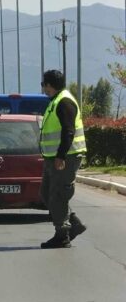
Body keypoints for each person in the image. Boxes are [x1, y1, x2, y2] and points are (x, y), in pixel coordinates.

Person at [39, 70, 87, 249]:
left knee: (58, 196)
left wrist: (60, 156)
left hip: (66, 157)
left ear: (50, 85)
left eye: (43, 84)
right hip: (54, 158)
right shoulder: (56, 101)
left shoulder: (64, 102)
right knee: (46, 194)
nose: (43, 88)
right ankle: (73, 222)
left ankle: (62, 235)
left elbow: (68, 131)